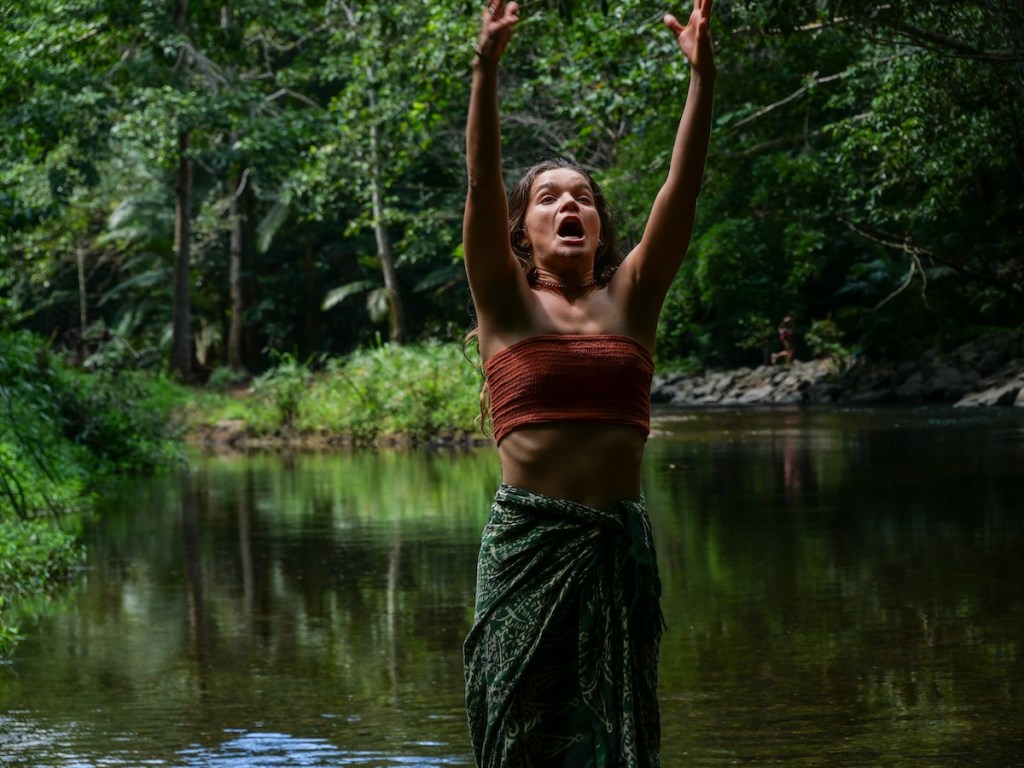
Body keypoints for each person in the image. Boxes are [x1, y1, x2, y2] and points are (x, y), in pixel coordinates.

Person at [461, 1, 715, 765]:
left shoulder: (633, 297)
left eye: (583, 198)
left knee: (618, 731)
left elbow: (684, 188)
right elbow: (479, 188)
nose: (570, 204)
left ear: (600, 225)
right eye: (549, 197)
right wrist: (486, 68)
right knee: (522, 734)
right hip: (529, 545)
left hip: (614, 547)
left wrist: (703, 78)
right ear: (524, 230)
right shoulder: (505, 301)